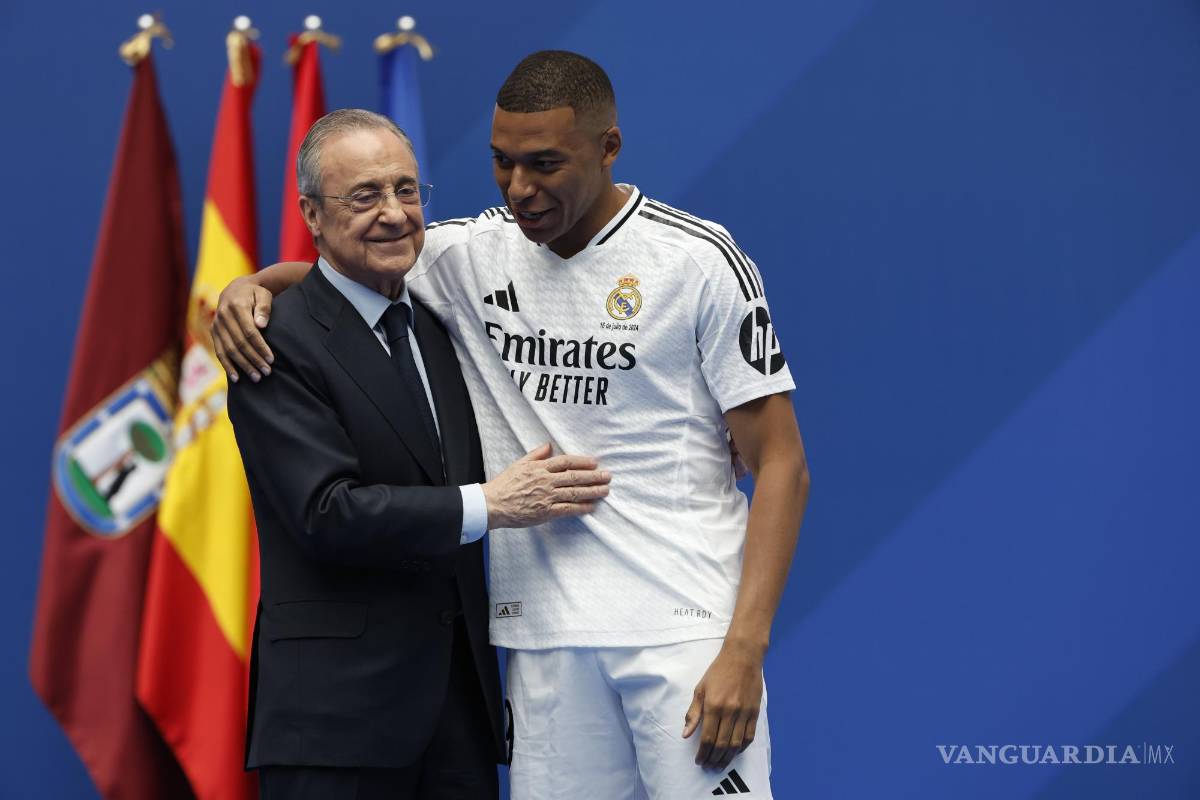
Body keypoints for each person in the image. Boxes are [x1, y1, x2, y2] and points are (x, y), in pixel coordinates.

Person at [216, 52, 810, 799]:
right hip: (542, 638)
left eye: (545, 164)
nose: (521, 188)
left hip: (682, 629)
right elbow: (345, 276)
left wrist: (745, 649)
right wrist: (249, 286)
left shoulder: (696, 261)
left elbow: (783, 464)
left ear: (608, 147)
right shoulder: (467, 254)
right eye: (502, 162)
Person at [226, 108, 612, 800]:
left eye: (406, 190)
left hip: (459, 719)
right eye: (364, 196)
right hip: (337, 726)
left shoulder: (440, 324)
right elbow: (325, 514)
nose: (394, 213)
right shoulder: (274, 339)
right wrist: (489, 505)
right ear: (312, 214)